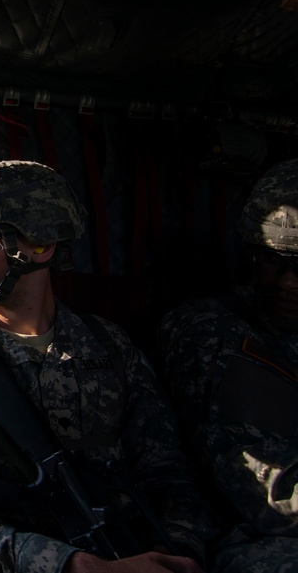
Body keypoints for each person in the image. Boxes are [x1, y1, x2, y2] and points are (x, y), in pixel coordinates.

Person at [0, 160, 211, 573]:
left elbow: (170, 476)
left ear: (41, 245)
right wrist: (76, 567)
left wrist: (177, 553)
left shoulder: (110, 345)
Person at [157, 158, 296, 572]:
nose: (288, 282)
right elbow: (267, 487)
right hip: (250, 537)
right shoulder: (215, 333)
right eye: (273, 261)